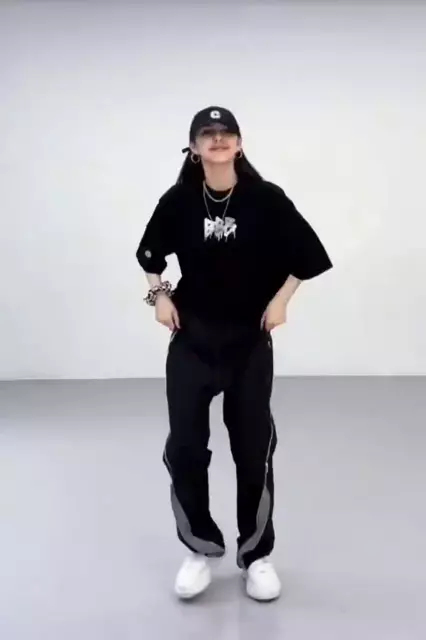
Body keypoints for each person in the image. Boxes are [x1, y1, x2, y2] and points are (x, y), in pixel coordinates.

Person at [136, 106, 332, 602]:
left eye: (227, 133)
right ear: (194, 147)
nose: (218, 139)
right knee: (185, 447)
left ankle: (256, 554)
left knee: (252, 446)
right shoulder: (179, 200)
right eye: (208, 133)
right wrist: (159, 296)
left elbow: (308, 253)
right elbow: (149, 255)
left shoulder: (266, 199)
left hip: (247, 341)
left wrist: (281, 300)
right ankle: (199, 548)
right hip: (193, 340)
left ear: (240, 144)